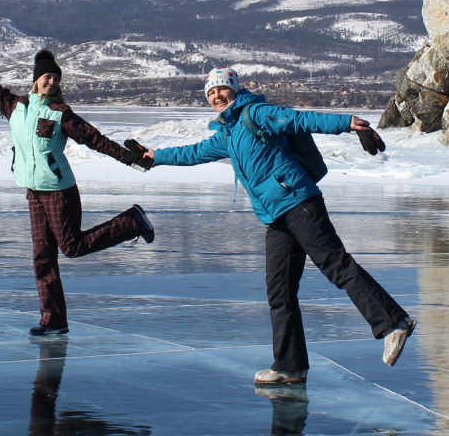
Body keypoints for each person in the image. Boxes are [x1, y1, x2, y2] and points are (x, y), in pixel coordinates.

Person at [136, 67, 415, 385]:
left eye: (222, 89)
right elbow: (195, 152)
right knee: (279, 290)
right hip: (275, 217)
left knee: (335, 264)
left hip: (298, 202)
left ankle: (393, 322)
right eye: (211, 92)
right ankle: (289, 365)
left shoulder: (257, 113)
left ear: (235, 90)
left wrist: (350, 123)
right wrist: (157, 156)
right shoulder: (228, 134)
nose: (216, 96)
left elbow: (299, 119)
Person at [0, 40, 154, 336]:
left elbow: (95, 139)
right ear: (36, 79)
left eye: (56, 78)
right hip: (33, 192)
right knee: (42, 256)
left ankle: (131, 222)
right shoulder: (14, 106)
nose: (51, 82)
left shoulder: (60, 113)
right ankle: (53, 320)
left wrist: (129, 159)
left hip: (60, 190)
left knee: (71, 247)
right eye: (47, 76)